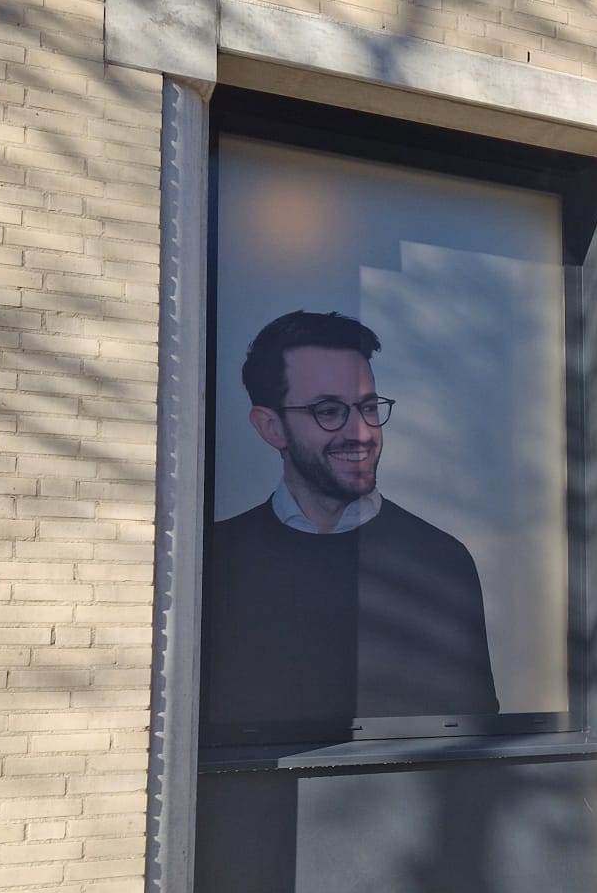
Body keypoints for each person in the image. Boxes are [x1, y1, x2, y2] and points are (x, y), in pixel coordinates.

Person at [201, 310, 498, 742]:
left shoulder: (441, 559)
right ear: (271, 427)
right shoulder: (217, 558)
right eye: (329, 411)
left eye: (368, 407)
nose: (360, 432)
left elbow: (475, 731)